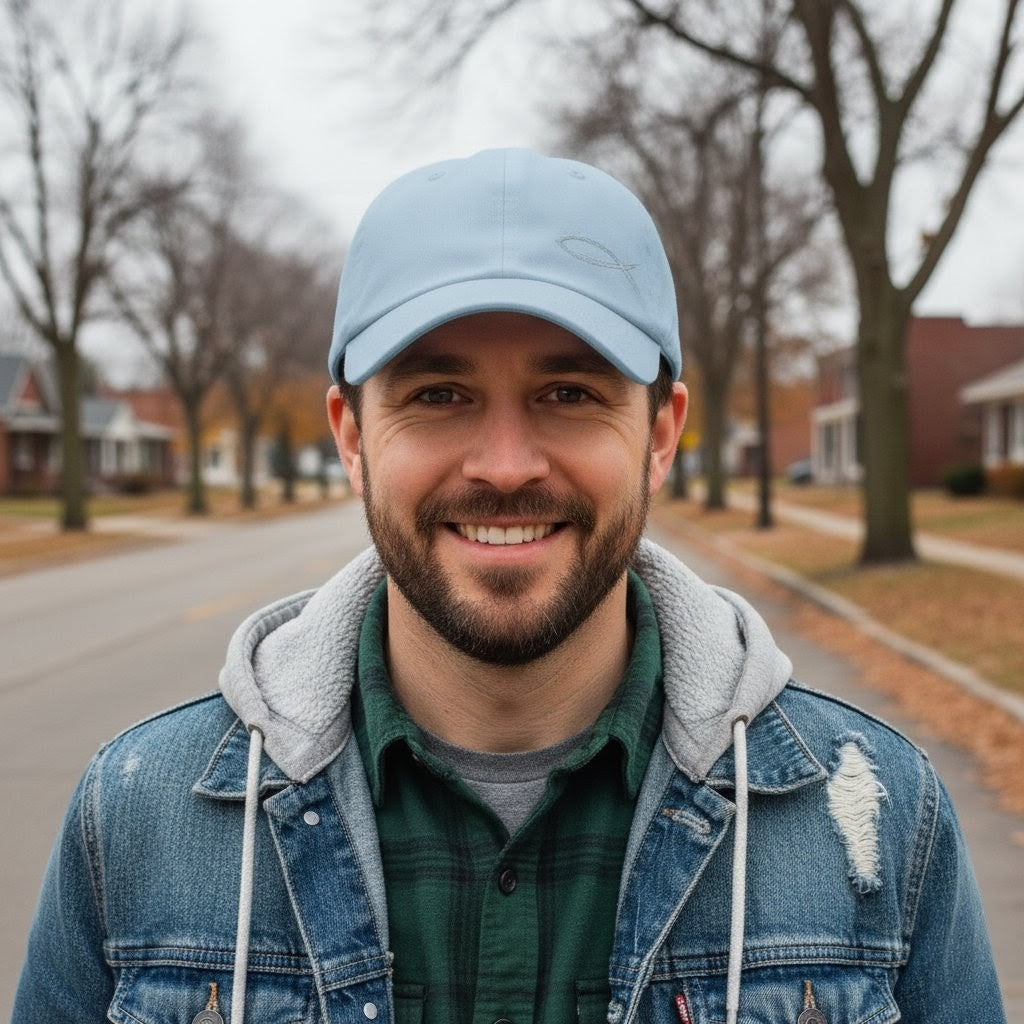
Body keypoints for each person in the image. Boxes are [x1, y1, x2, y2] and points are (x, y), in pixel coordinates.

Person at [14, 149, 1004, 1024]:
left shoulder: (878, 817)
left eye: (567, 393)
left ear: (660, 434)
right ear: (351, 436)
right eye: (438, 394)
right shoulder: (137, 819)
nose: (502, 463)